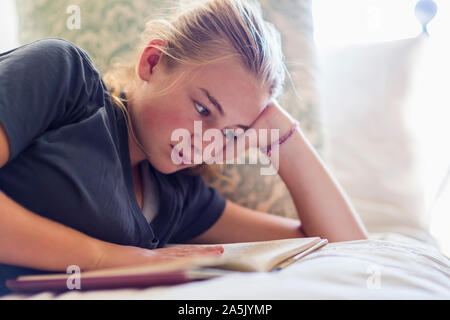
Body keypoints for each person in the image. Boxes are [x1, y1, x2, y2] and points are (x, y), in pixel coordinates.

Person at [0, 0, 367, 295]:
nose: (207, 143)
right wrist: (107, 258)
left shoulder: (177, 197)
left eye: (230, 134)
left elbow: (345, 249)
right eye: (204, 108)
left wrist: (284, 136)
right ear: (153, 62)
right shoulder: (65, 78)